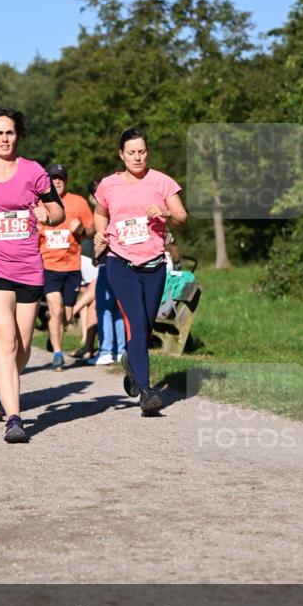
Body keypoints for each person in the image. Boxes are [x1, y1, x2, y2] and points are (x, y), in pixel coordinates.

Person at [0, 107, 65, 443]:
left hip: (28, 267)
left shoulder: (34, 171)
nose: (4, 139)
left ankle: (7, 385)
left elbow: (58, 210)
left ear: (18, 136)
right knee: (4, 339)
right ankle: (14, 419)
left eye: (10, 132)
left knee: (22, 346)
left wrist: (46, 216)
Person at [94, 127, 187, 415]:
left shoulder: (162, 182)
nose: (137, 157)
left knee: (145, 328)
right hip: (120, 262)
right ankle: (147, 393)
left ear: (147, 152)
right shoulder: (108, 184)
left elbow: (182, 217)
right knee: (135, 322)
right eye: (131, 152)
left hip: (154, 264)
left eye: (142, 151)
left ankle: (131, 362)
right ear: (121, 154)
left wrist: (167, 214)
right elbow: (100, 212)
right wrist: (100, 234)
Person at [37, 164, 94, 372]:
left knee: (67, 316)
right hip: (48, 265)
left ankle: (55, 335)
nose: (57, 181)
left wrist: (82, 229)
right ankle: (58, 354)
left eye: (60, 178)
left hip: (72, 266)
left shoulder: (78, 202)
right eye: (53, 178)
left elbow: (92, 229)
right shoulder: (39, 203)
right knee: (55, 307)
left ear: (66, 181)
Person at [86, 179, 125, 366]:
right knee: (116, 309)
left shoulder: (103, 215)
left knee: (103, 309)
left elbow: (100, 247)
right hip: (121, 264)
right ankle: (120, 349)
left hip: (106, 264)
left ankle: (106, 350)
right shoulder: (118, 209)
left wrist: (96, 253)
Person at [69, 253, 99, 360]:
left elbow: (94, 287)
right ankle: (86, 343)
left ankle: (71, 314)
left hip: (102, 285)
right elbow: (84, 290)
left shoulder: (80, 262)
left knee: (92, 303)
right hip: (93, 287)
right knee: (85, 306)